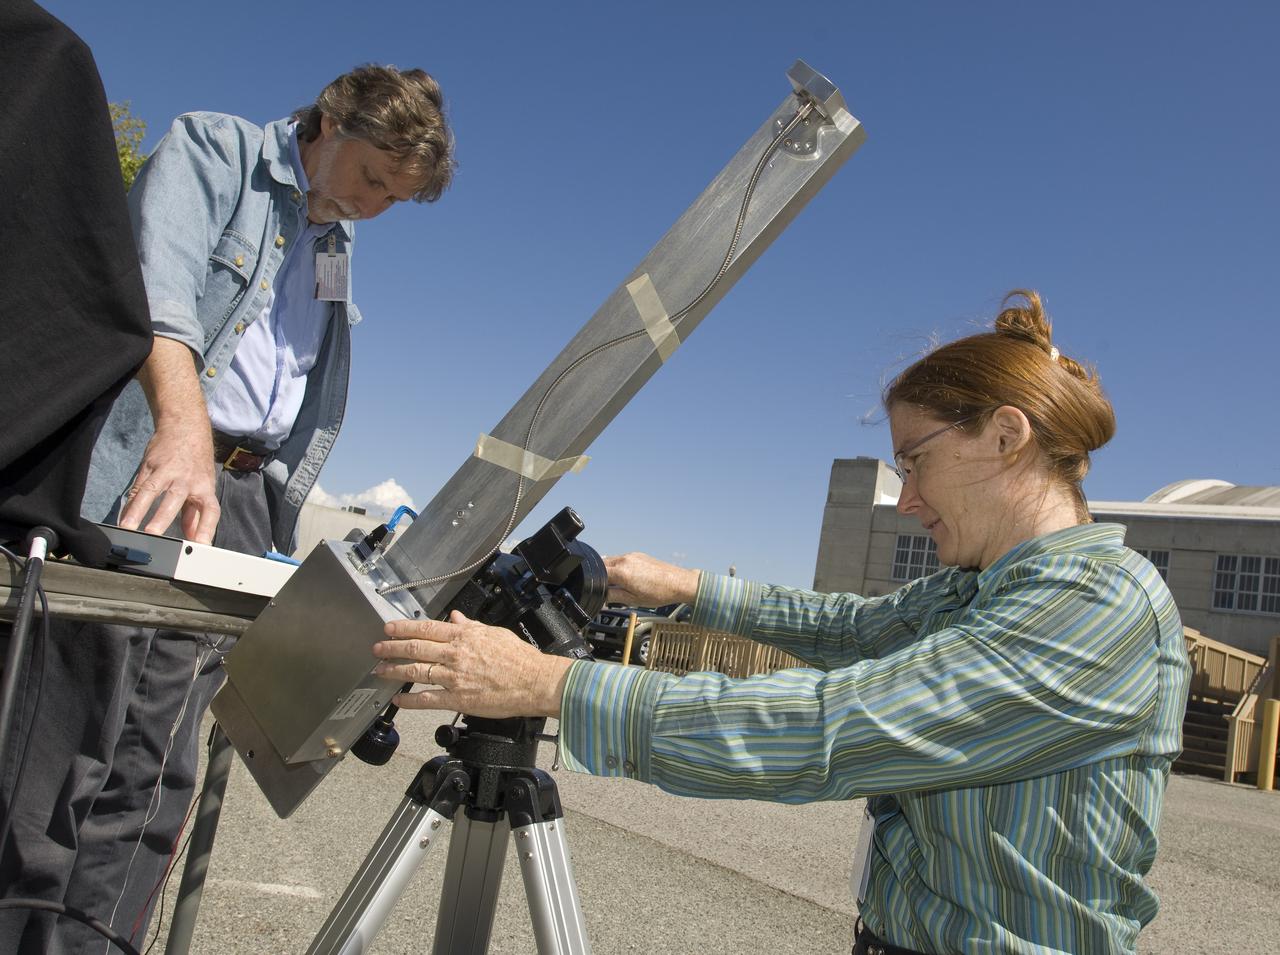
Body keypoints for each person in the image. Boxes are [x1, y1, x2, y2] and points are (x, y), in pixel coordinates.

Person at [371, 290, 1191, 955]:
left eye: (916, 461)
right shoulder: (976, 590)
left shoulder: (1096, 608)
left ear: (1006, 436)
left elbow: (827, 727)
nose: (905, 499)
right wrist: (682, 582)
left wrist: (549, 684)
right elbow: (845, 628)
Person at [0, 64, 454, 952]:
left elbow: (296, 393)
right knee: (69, 741)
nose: (376, 206)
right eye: (372, 177)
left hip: (241, 498)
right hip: (154, 464)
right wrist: (180, 428)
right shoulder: (216, 151)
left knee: (156, 759)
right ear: (329, 120)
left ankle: (93, 941)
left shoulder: (335, 246)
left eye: (398, 197)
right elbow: (152, 293)